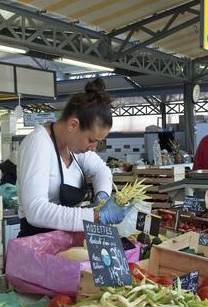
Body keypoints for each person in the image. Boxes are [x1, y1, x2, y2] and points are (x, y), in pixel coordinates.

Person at [17, 78, 126, 236]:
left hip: (63, 241)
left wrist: (102, 197)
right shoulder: (39, 143)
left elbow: (101, 170)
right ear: (73, 125)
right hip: (36, 244)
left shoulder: (73, 147)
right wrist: (97, 216)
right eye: (91, 140)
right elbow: (36, 210)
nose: (93, 148)